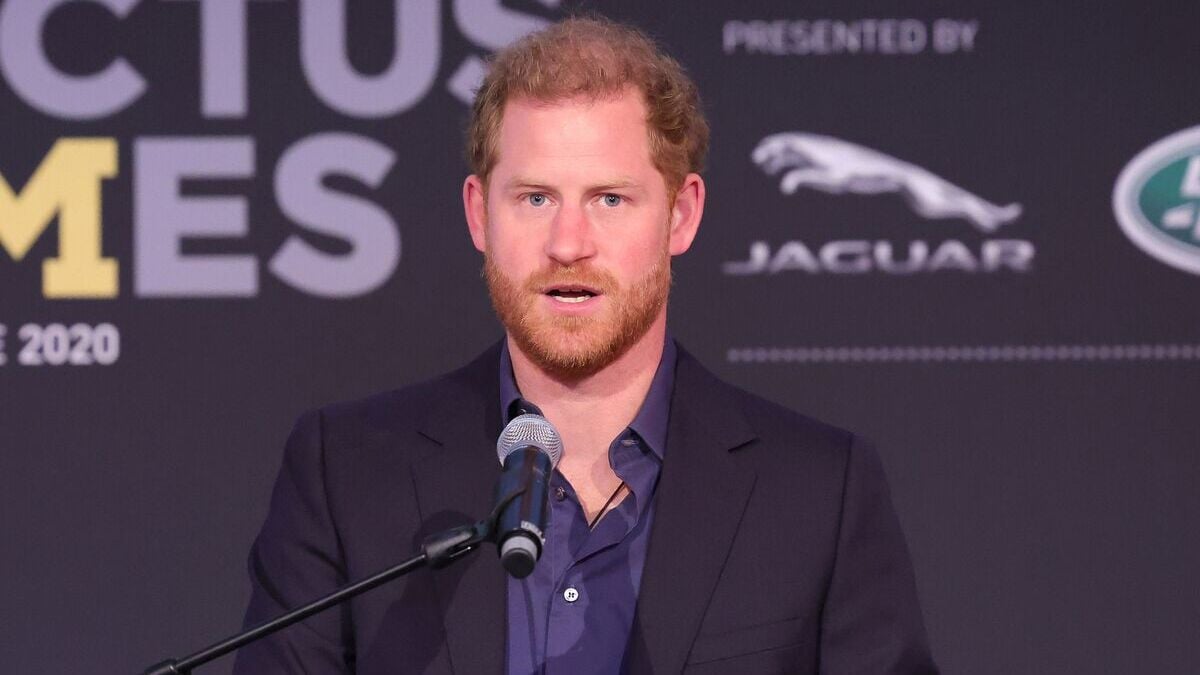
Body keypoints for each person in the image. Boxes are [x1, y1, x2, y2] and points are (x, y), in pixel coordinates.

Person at [234, 16, 937, 675]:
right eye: (535, 198)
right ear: (480, 213)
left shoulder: (817, 492)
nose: (568, 244)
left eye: (610, 199)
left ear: (682, 215)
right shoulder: (347, 474)